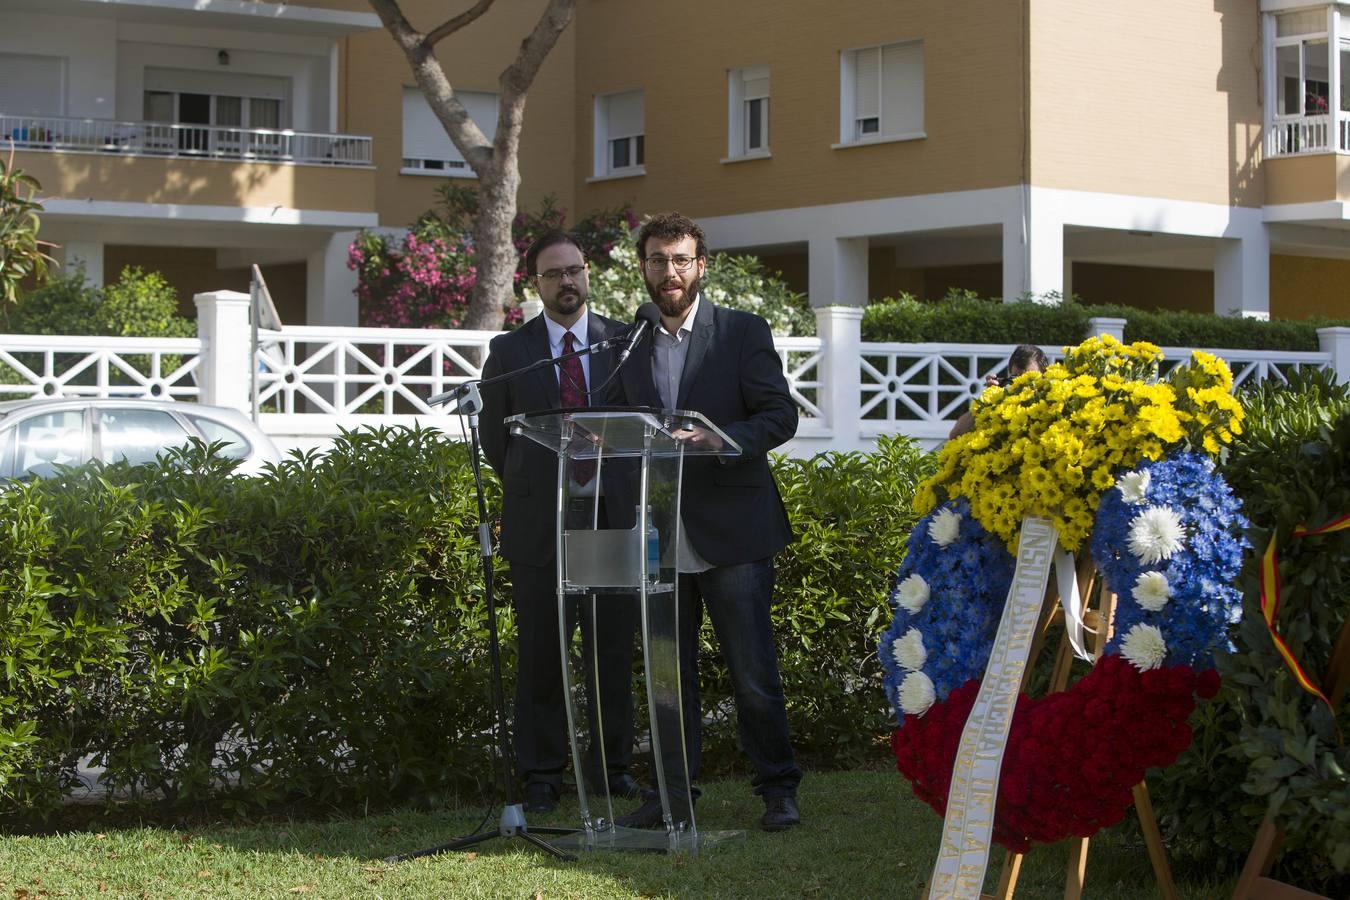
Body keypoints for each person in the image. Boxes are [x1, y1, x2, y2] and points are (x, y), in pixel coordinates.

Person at [607, 212, 803, 832]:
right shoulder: (625, 341)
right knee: (668, 673)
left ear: (701, 266)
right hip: (658, 531)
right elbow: (611, 424)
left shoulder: (741, 332)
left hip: (733, 530)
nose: (670, 272)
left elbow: (778, 416)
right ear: (643, 267)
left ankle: (777, 790)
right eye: (659, 260)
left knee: (751, 670)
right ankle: (672, 795)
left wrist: (719, 440)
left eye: (681, 260)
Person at [479, 230, 639, 813]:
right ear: (536, 283)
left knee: (611, 650)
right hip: (538, 526)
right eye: (554, 274)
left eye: (574, 270)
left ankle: (609, 768)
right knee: (542, 653)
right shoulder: (511, 351)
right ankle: (542, 774)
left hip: (611, 520)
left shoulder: (623, 342)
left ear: (587, 273)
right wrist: (537, 483)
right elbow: (497, 442)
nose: (567, 282)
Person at [948, 343, 1049, 439]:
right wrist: (988, 399)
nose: (1023, 386)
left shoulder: (1052, 401)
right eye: (1017, 378)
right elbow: (955, 435)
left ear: (1045, 376)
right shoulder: (1002, 405)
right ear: (1009, 378)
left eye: (1030, 379)